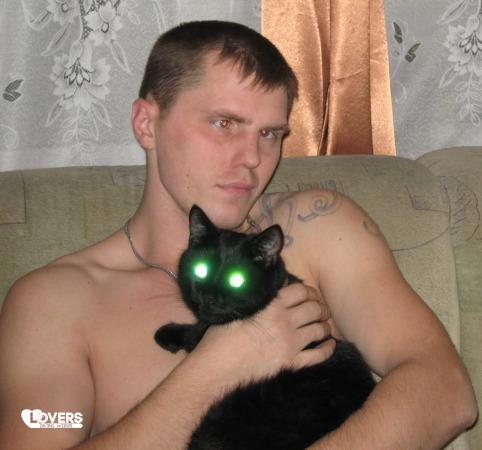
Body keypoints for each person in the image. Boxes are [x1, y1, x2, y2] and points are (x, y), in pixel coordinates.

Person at [0, 20, 477, 450]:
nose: (252, 158)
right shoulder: (55, 301)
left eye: (270, 134)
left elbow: (445, 391)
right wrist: (216, 369)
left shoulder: (317, 226)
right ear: (147, 123)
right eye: (224, 123)